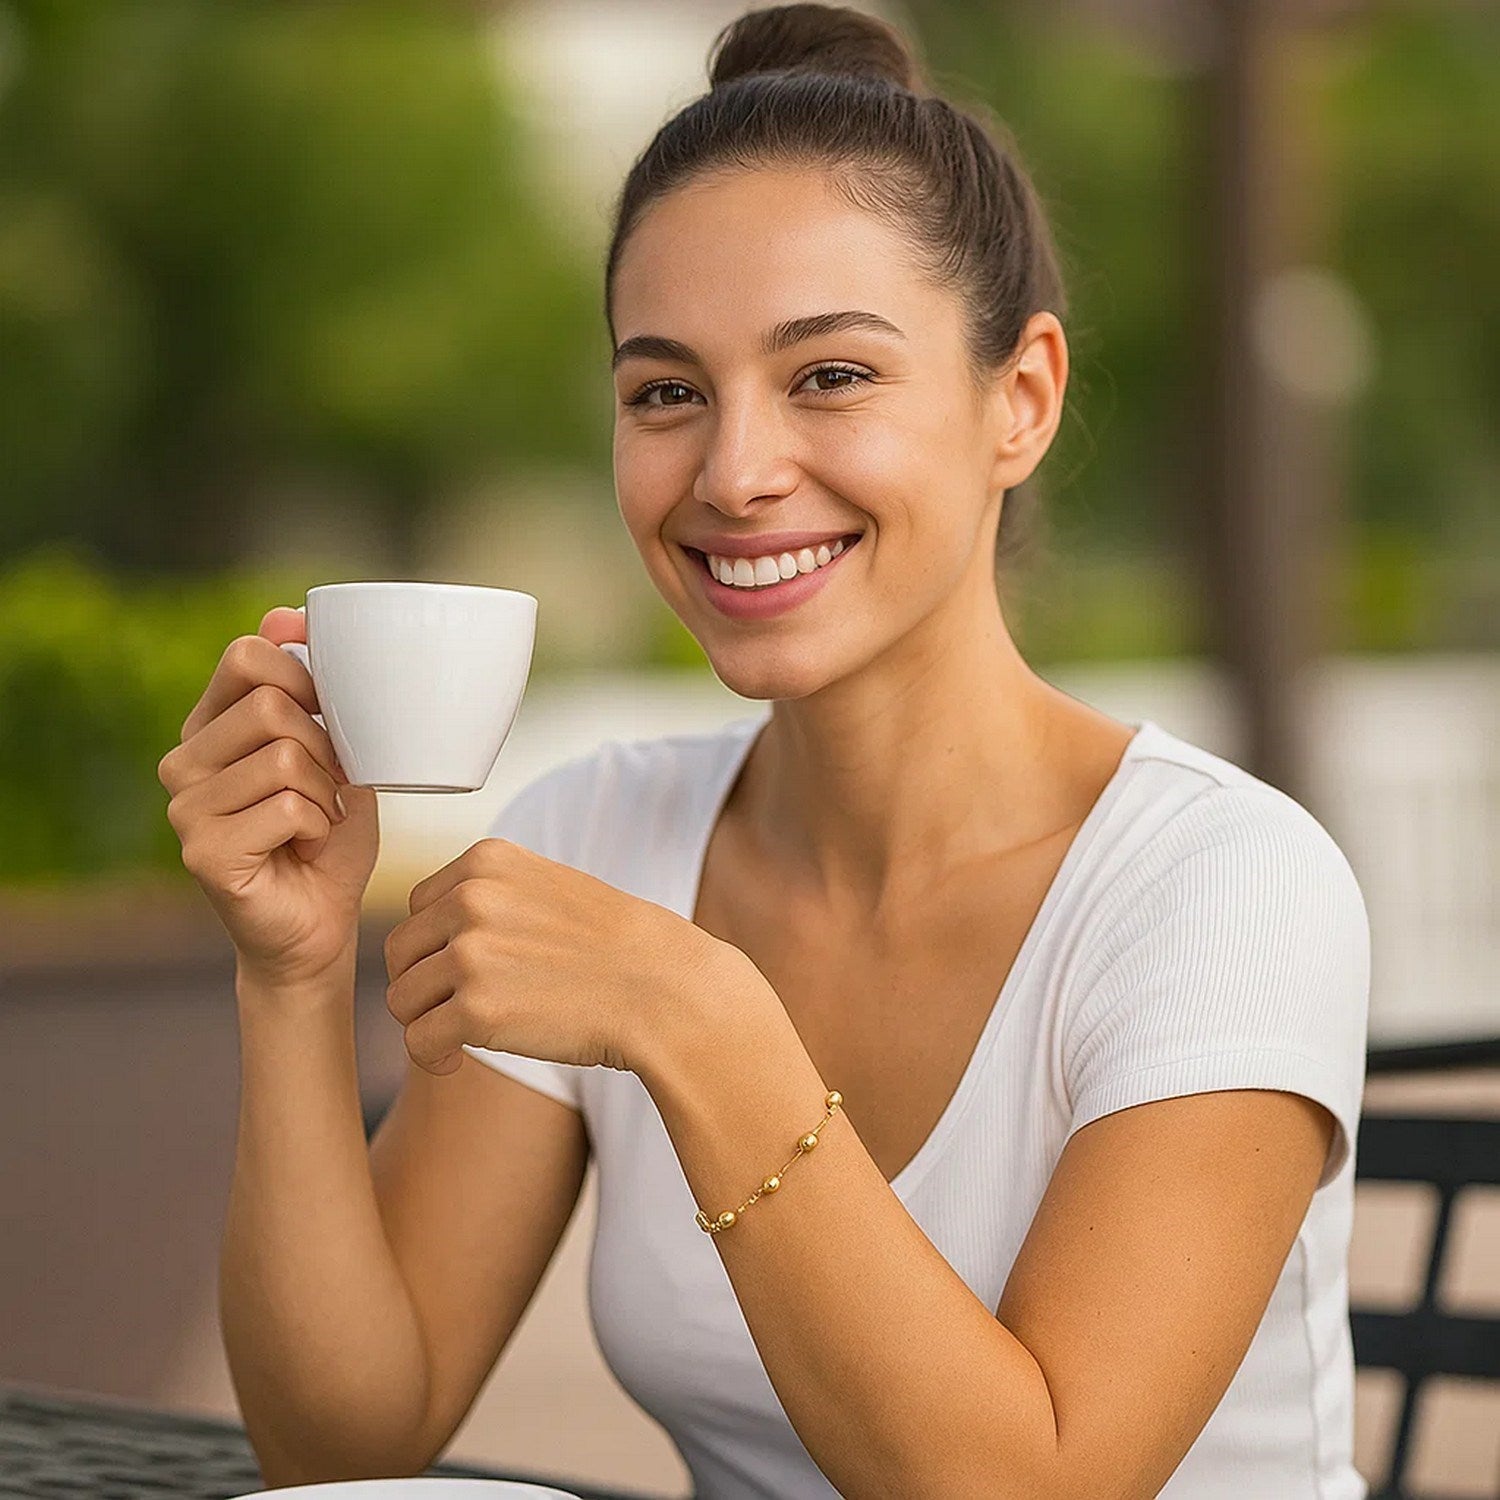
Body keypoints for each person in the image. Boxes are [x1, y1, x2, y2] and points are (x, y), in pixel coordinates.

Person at [157, 6, 1371, 1497]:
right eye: (666, 391)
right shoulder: (596, 837)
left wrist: (699, 1019)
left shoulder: (1222, 885)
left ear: (1022, 400)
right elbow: (346, 1439)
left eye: (832, 376)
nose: (734, 473)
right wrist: (287, 973)